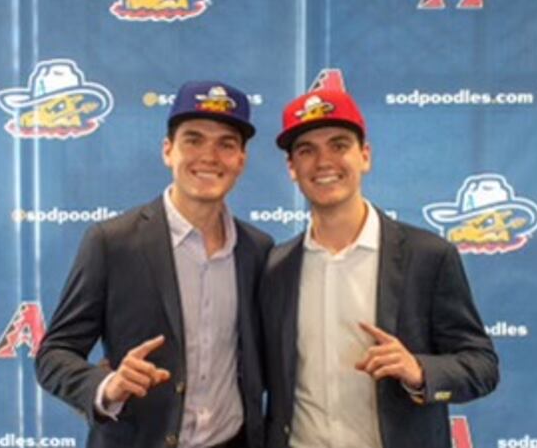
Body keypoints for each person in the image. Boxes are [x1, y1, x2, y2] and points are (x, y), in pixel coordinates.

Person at [36, 81, 273, 448]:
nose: (209, 156)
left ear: (241, 160)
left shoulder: (258, 249)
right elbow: (54, 354)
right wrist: (106, 387)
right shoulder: (112, 242)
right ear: (168, 151)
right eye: (193, 139)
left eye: (226, 144)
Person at [259, 89, 499, 448]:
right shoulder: (276, 267)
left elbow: (482, 366)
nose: (324, 161)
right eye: (307, 150)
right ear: (292, 168)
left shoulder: (428, 256)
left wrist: (420, 372)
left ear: (365, 156)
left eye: (339, 145)